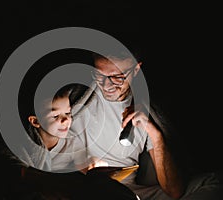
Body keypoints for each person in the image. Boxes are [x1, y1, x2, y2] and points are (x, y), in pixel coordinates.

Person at [68, 49, 223, 199]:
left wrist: (155, 135)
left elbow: (174, 191)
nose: (106, 85)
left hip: (129, 189)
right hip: (91, 188)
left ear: (136, 70)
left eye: (117, 77)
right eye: (99, 74)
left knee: (213, 182)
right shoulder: (77, 101)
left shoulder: (146, 108)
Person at [2, 83, 139, 199]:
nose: (65, 120)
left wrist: (95, 164)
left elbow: (84, 161)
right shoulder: (25, 146)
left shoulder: (71, 142)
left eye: (68, 113)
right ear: (35, 121)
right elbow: (18, 173)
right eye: (55, 115)